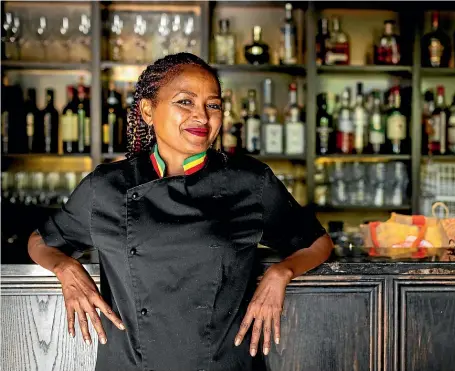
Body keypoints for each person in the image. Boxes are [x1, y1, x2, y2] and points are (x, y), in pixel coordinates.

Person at [27, 52, 333, 371]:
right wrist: (64, 268)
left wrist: (280, 273)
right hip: (132, 364)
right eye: (185, 102)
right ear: (148, 110)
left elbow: (317, 242)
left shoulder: (249, 181)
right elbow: (42, 241)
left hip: (224, 364)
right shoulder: (107, 186)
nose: (201, 116)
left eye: (213, 105)